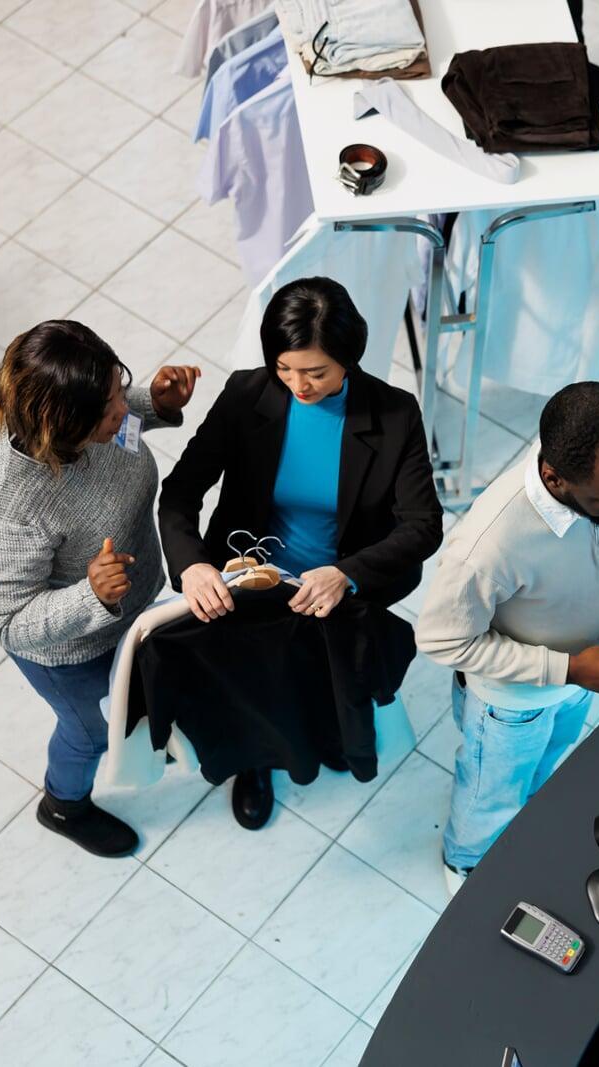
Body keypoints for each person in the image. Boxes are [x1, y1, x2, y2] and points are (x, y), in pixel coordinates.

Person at [157, 276, 443, 829]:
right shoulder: (247, 395)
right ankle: (256, 763)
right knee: (254, 680)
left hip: (334, 584)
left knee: (326, 676)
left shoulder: (393, 413)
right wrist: (193, 564)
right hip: (249, 575)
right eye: (285, 369)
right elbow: (180, 491)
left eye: (316, 372)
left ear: (349, 359)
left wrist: (347, 573)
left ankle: (329, 736)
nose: (299, 385)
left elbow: (423, 525)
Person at [416, 382, 599, 895]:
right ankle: (465, 864)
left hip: (580, 678)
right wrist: (573, 668)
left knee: (546, 766)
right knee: (490, 793)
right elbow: (443, 641)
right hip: (511, 705)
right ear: (555, 480)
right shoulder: (488, 546)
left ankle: (528, 824)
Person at [0, 320, 202, 857]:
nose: (123, 414)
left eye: (120, 391)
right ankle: (63, 805)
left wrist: (155, 404)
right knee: (91, 734)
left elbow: (123, 413)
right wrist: (89, 596)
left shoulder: (97, 416)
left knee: (142, 692)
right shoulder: (4, 509)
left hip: (130, 607)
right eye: (111, 409)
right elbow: (8, 623)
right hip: (70, 650)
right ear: (62, 426)